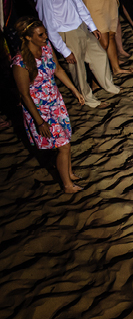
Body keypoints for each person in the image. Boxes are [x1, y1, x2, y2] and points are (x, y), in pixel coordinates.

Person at [33, 0, 120, 108]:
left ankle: (108, 85)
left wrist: (91, 25)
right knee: (78, 69)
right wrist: (64, 51)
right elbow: (47, 24)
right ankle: (89, 100)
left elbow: (76, 0)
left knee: (99, 54)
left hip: (80, 25)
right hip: (66, 32)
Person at [11, 17, 86, 194]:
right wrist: (40, 122)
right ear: (28, 37)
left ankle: (68, 173)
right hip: (40, 110)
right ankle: (67, 185)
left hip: (55, 102)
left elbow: (57, 69)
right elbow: (24, 95)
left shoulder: (46, 48)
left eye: (45, 33)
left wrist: (74, 90)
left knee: (66, 139)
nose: (46, 36)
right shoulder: (20, 62)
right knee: (63, 146)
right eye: (40, 34)